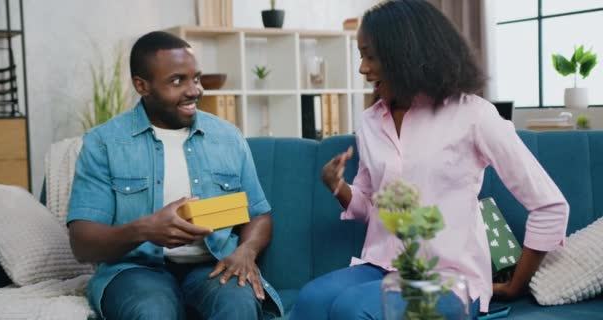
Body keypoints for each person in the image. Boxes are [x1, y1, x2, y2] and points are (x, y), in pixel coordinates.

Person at [290, 0, 569, 319]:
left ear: (404, 53)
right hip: (382, 267)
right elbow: (372, 206)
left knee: (352, 309)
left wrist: (518, 283)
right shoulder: (370, 122)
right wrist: (338, 187)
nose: (362, 69)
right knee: (311, 299)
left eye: (370, 55)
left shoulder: (472, 114)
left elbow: (549, 205)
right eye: (361, 56)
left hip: (450, 278)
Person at [66, 31, 283, 320]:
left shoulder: (227, 137)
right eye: (177, 81)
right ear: (142, 85)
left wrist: (247, 250)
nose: (194, 90)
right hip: (135, 270)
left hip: (213, 264)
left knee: (239, 305)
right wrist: (144, 230)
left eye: (196, 78)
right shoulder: (104, 143)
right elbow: (82, 242)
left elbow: (259, 214)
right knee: (152, 311)